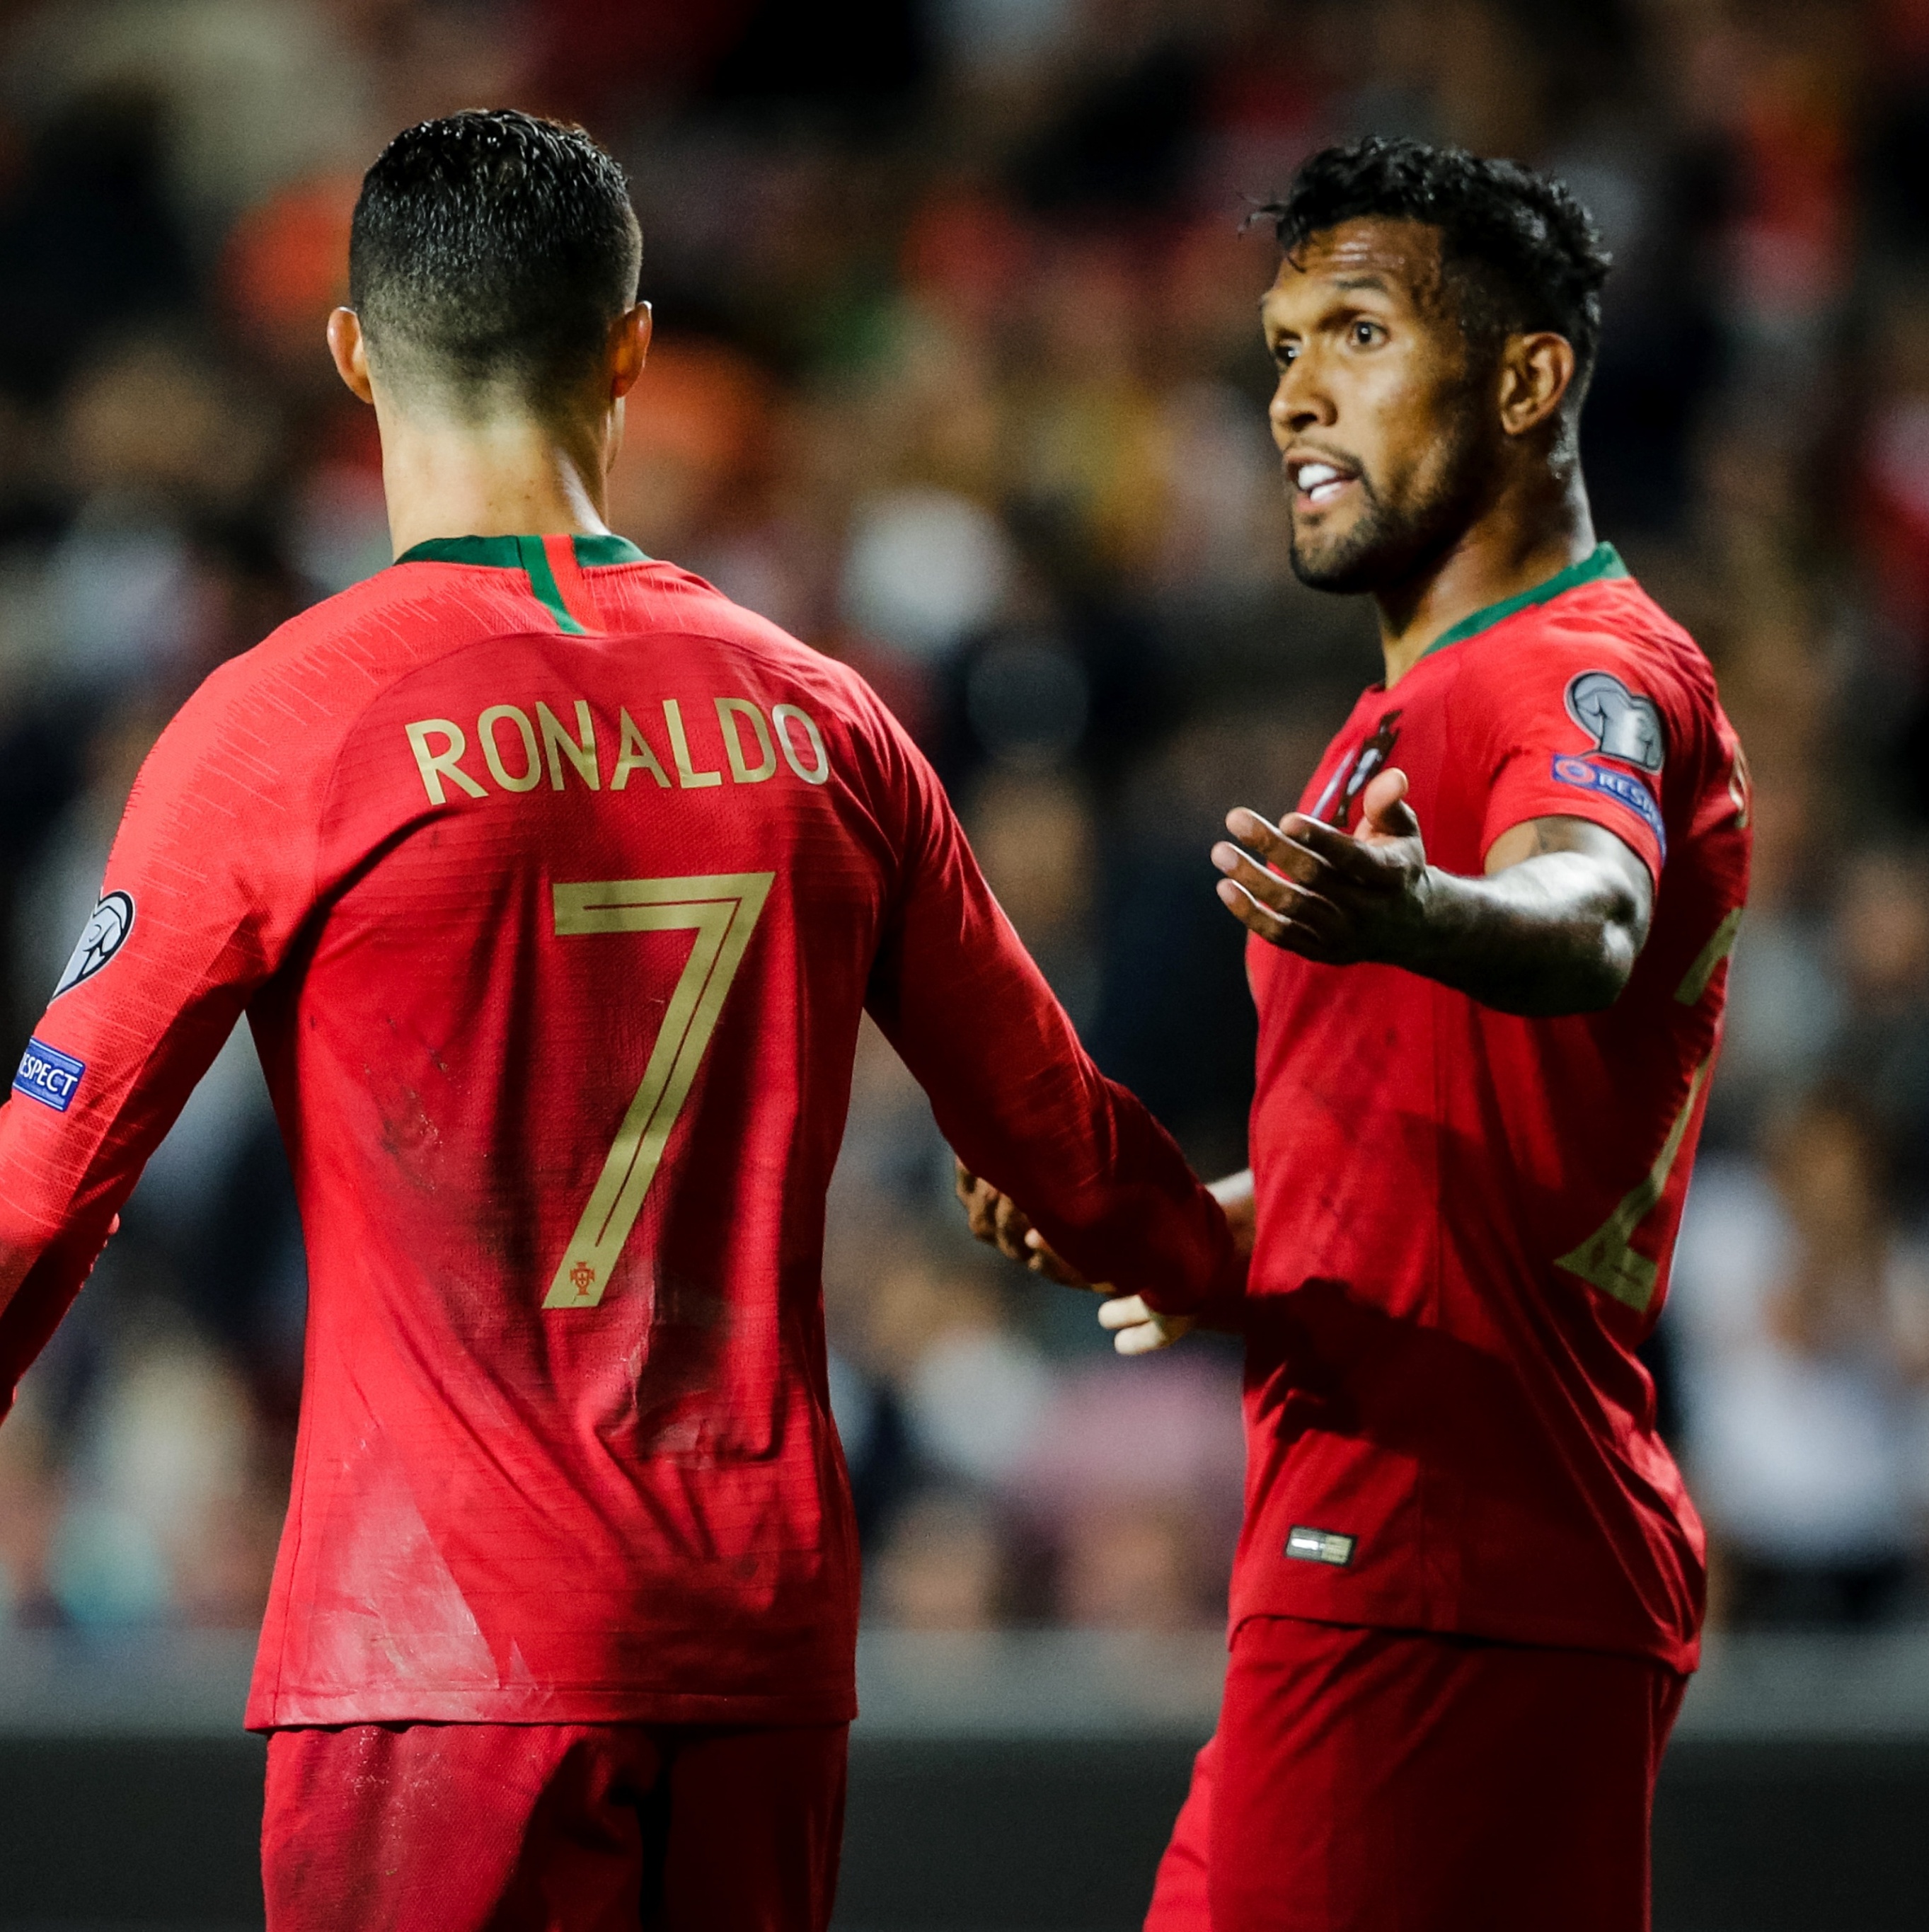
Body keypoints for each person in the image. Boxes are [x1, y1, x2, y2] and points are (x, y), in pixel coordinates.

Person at [0, 111, 1237, 1932]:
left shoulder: (280, 730)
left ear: (353, 351)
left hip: (431, 1651)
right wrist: (1231, 1254)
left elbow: (43, 1189)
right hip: (752, 1645)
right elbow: (1066, 1148)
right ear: (636, 347)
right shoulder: (828, 720)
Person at [960, 137, 1751, 1932]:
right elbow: (1477, 1138)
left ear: (1528, 376)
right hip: (1426, 1551)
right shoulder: (1409, 709)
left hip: (1432, 1559)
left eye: (1361, 332)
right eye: (1278, 343)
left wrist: (1423, 914)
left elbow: (1589, 918)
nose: (1294, 390)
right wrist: (1233, 1230)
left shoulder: (1565, 673)